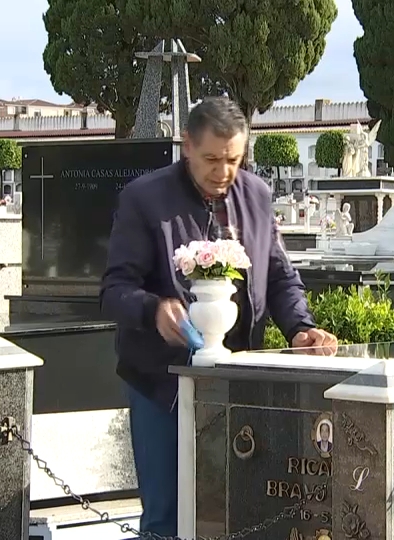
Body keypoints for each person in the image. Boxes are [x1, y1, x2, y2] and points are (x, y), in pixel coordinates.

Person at [99, 96, 338, 536]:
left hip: (243, 382)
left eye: (233, 159)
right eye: (211, 158)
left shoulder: (258, 196)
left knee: (246, 506)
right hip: (162, 383)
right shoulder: (143, 198)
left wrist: (301, 328)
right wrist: (154, 309)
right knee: (167, 517)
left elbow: (280, 276)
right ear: (186, 145)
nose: (223, 172)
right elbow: (114, 291)